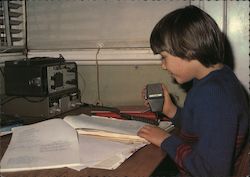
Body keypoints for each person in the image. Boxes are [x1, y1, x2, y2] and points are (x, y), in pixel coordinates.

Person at [137, 5, 249, 177]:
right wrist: (171, 110)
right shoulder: (216, 79)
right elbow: (201, 126)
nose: (162, 65)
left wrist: (166, 140)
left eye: (164, 56)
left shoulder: (215, 96)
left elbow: (213, 172)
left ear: (188, 49)